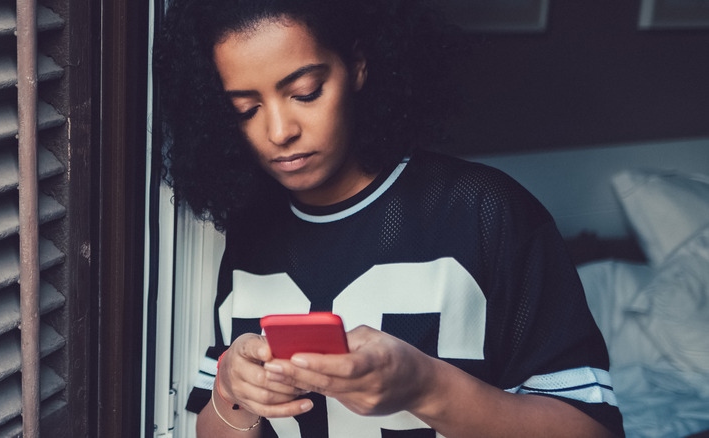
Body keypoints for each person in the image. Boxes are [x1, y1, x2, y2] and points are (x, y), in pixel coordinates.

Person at [155, 0, 625, 436]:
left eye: (306, 92)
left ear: (358, 65)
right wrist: (232, 395)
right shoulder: (249, 232)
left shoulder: (484, 210)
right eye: (246, 109)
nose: (279, 131)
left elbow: (592, 427)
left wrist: (425, 387)